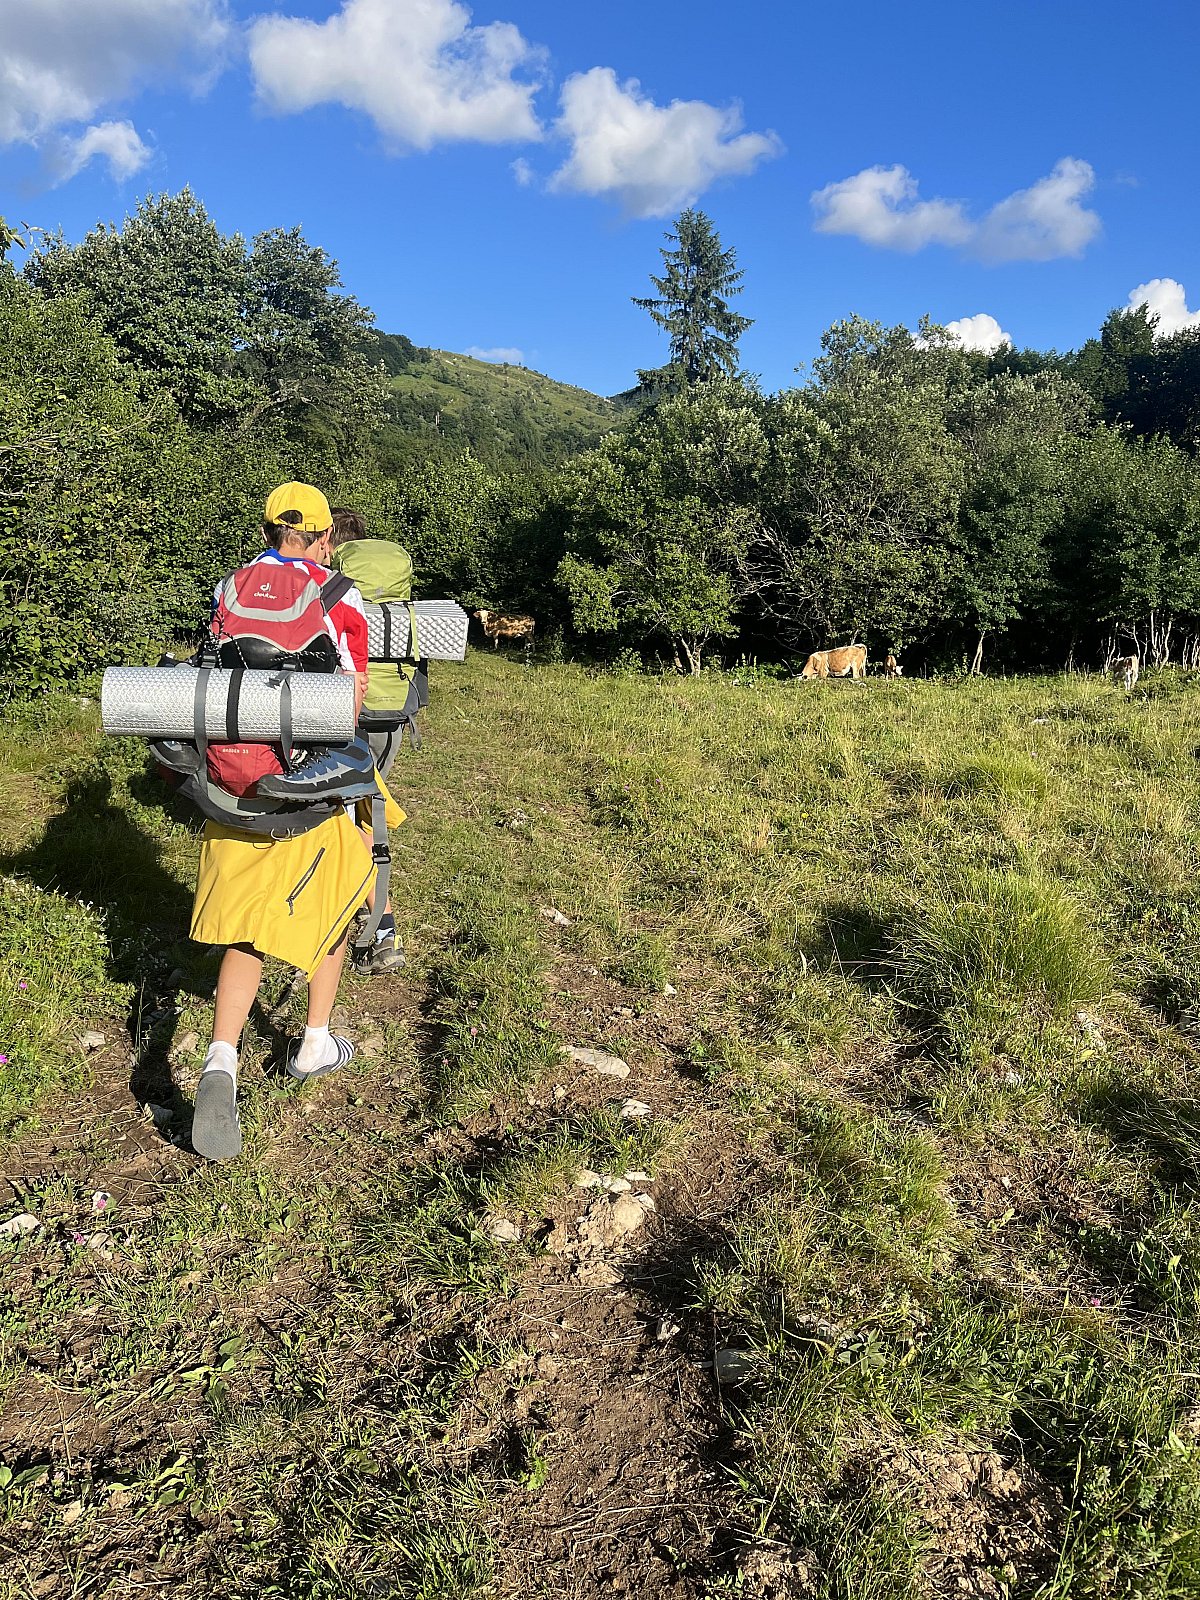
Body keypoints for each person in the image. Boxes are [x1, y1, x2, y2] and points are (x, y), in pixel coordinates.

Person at [190, 482, 404, 1163]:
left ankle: (221, 1057)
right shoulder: (339, 593)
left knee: (246, 924)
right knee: (333, 902)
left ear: (266, 530)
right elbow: (352, 694)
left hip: (235, 780)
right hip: (308, 778)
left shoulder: (231, 585)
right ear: (325, 537)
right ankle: (314, 1040)